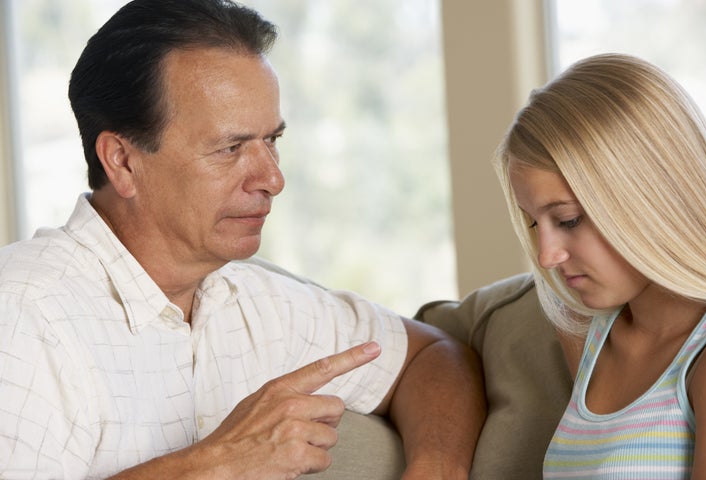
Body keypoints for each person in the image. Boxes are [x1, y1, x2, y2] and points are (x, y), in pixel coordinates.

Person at [0, 0, 484, 478]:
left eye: (271, 141)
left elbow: (433, 356)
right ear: (123, 161)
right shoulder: (22, 314)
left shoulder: (256, 303)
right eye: (230, 148)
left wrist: (435, 469)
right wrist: (218, 463)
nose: (273, 179)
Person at [495, 52, 706, 479]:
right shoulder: (586, 333)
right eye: (533, 223)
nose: (546, 255)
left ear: (653, 196)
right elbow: (434, 340)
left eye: (568, 220)